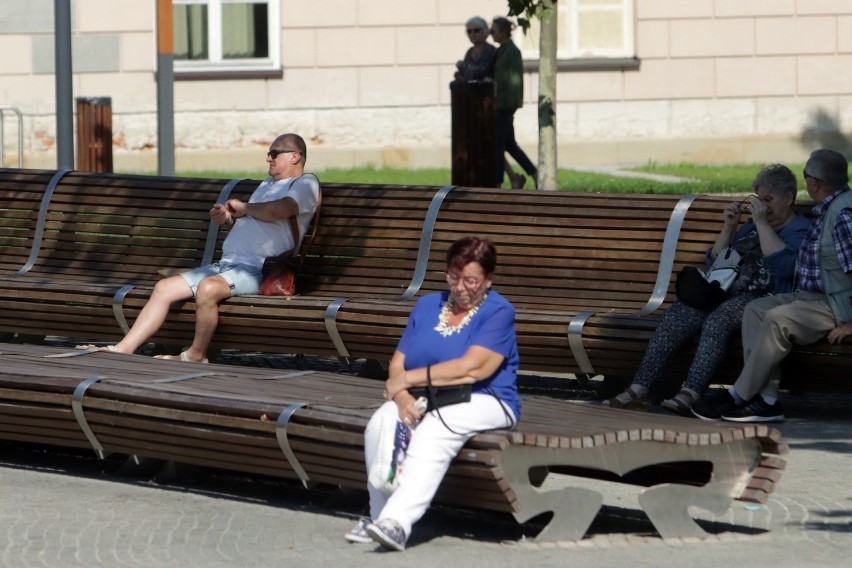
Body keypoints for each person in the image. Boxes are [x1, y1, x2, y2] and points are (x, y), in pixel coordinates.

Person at [77, 133, 320, 363]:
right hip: (227, 265)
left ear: (295, 156)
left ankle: (196, 354)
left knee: (208, 288)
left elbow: (280, 211)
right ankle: (124, 348)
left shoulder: (305, 184)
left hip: (257, 271)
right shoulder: (268, 184)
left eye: (274, 153)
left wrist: (245, 208)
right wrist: (228, 218)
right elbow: (259, 222)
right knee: (164, 288)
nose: (268, 158)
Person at [345, 237, 520, 551]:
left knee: (435, 429)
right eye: (454, 277)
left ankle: (398, 523)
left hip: (487, 397)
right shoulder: (427, 305)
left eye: (471, 280)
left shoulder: (499, 311)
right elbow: (398, 363)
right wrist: (400, 397)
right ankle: (379, 516)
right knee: (382, 422)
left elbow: (473, 369)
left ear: (488, 280)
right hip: (426, 395)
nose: (461, 287)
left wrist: (406, 381)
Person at [603, 164, 810, 416]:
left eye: (769, 200)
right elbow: (715, 262)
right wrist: (729, 228)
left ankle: (690, 392)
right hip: (723, 292)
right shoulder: (750, 226)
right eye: (759, 200)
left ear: (789, 198)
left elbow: (786, 268)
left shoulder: (800, 230)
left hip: (764, 299)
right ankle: (640, 387)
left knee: (718, 320)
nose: (763, 207)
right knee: (679, 313)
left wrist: (761, 224)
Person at [692, 149, 852, 423]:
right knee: (756, 309)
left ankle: (739, 395)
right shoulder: (828, 208)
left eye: (806, 177)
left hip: (834, 304)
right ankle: (767, 400)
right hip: (809, 296)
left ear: (814, 183)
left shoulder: (843, 215)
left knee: (778, 318)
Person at [490, 16, 537, 189]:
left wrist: (510, 104)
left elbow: (515, 81)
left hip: (505, 105)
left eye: (493, 30)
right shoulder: (501, 50)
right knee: (508, 144)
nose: (490, 34)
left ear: (503, 32)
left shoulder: (512, 52)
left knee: (497, 145)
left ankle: (498, 183)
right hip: (499, 104)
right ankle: (525, 175)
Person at [454, 16, 496, 82]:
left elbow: (480, 73)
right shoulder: (470, 51)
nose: (472, 34)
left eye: (476, 30)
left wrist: (461, 67)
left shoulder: (490, 50)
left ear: (485, 31)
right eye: (469, 31)